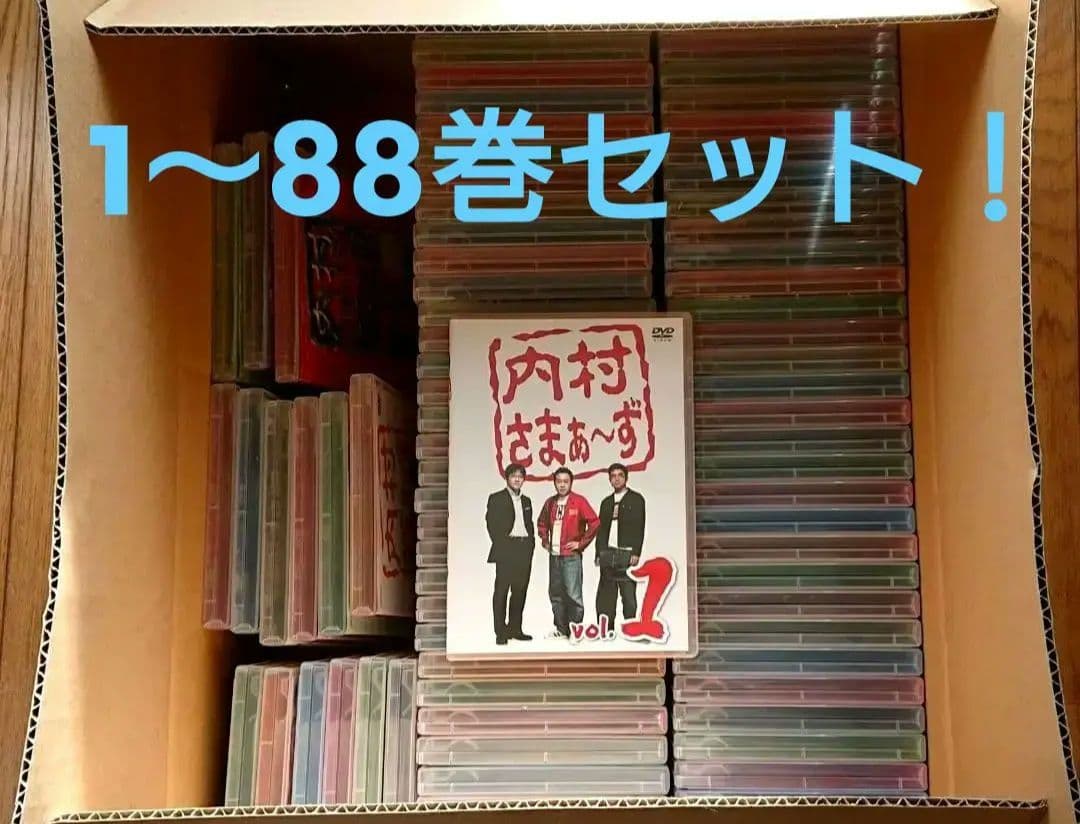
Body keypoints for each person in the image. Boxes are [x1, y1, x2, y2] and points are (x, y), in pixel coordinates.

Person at [536, 467, 600, 638]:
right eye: (559, 481)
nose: (562, 485)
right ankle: (561, 629)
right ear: (554, 483)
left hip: (571, 556)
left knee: (573, 594)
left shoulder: (579, 501)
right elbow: (542, 523)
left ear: (571, 482)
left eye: (566, 481)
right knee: (556, 594)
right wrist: (545, 540)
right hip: (555, 556)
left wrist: (581, 543)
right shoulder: (550, 503)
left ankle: (575, 629)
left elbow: (594, 523)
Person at [484, 463, 536, 645]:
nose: (517, 480)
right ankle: (500, 632)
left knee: (520, 591)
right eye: (514, 476)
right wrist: (502, 544)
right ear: (507, 478)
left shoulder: (527, 501)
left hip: (523, 548)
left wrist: (531, 545)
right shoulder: (496, 498)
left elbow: (529, 525)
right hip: (507, 548)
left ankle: (515, 629)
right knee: (502, 591)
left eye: (520, 477)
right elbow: (491, 523)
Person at [594, 462, 645, 627]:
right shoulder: (606, 502)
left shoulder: (636, 499)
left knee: (628, 595)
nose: (616, 479)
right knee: (606, 596)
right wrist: (598, 553)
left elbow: (639, 526)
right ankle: (606, 629)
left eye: (620, 475)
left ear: (626, 478)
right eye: (613, 476)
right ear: (610, 479)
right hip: (608, 552)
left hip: (626, 553)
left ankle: (630, 629)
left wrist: (636, 552)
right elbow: (601, 530)